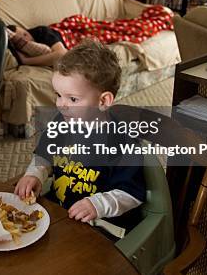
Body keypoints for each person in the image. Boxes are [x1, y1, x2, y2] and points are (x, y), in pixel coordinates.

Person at [14, 40, 146, 236]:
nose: (61, 105)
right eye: (58, 95)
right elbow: (44, 156)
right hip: (61, 209)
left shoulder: (123, 142)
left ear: (103, 101)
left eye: (73, 99)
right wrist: (35, 174)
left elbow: (132, 192)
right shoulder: (61, 123)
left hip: (102, 225)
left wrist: (96, 205)